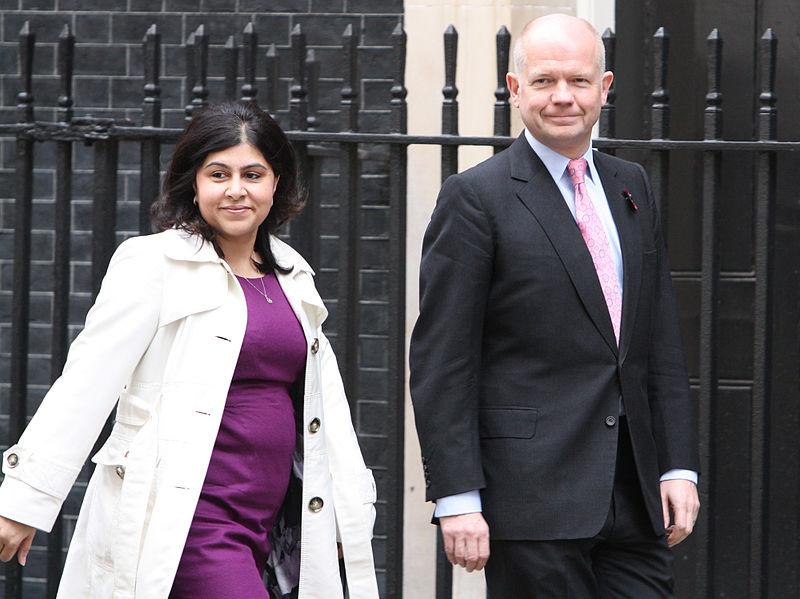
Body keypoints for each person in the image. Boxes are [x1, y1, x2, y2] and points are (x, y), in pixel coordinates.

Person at [0, 101, 379, 599]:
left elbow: (325, 411)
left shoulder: (292, 276)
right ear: (193, 184)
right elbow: (85, 383)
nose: (236, 190)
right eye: (217, 173)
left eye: (253, 174)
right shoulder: (155, 263)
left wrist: (341, 515)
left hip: (272, 522)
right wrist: (24, 500)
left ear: (276, 183)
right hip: (188, 521)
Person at [410, 14, 700, 598]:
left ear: (605, 87)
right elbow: (444, 360)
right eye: (544, 81)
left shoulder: (631, 185)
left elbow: (656, 338)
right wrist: (459, 498)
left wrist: (677, 466)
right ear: (516, 90)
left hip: (634, 495)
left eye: (578, 80)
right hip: (530, 500)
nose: (563, 96)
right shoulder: (475, 198)